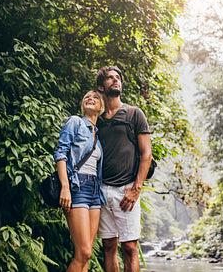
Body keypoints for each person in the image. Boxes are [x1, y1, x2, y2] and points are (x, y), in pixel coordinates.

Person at [95, 66, 153, 272]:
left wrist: (136, 189)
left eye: (118, 77)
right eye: (110, 78)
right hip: (102, 192)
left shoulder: (133, 114)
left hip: (127, 190)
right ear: (101, 86)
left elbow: (147, 154)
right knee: (108, 246)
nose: (115, 80)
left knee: (129, 247)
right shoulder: (97, 120)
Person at [53, 90, 106, 272]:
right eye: (86, 97)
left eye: (95, 98)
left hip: (95, 193)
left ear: (101, 108)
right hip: (77, 186)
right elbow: (61, 154)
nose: (90, 99)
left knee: (87, 254)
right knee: (83, 253)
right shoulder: (75, 122)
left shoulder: (97, 136)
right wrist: (65, 187)